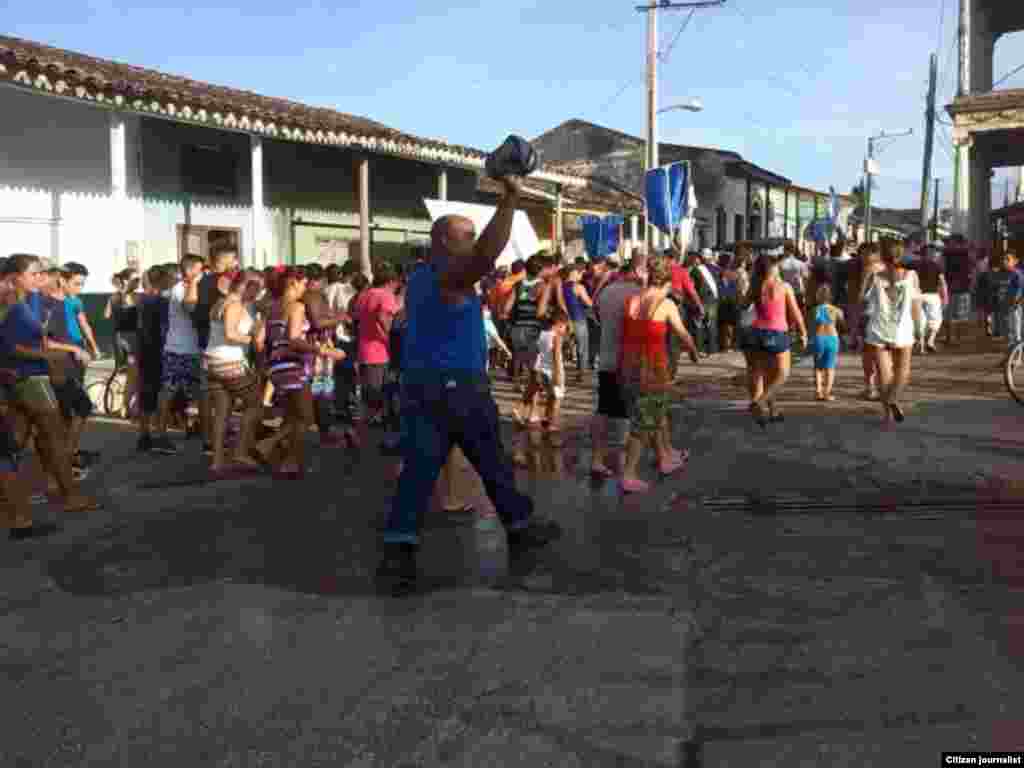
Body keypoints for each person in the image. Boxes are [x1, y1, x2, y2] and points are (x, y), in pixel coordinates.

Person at [378, 175, 561, 596]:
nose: (475, 242)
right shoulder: (447, 275)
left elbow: (479, 261)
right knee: (453, 463)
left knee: (472, 462)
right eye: (468, 236)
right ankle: (404, 547)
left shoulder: (424, 276)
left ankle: (407, 545)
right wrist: (511, 198)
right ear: (444, 242)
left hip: (430, 386)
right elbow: (484, 256)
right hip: (453, 387)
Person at [0, 254, 99, 515]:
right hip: (30, 379)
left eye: (43, 273)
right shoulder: (13, 303)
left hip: (26, 378)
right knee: (53, 437)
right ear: (14, 277)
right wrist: (48, 355)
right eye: (35, 273)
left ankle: (31, 499)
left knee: (17, 441)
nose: (42, 278)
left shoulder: (25, 301)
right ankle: (70, 496)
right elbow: (13, 347)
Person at [618, 255, 699, 494]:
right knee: (643, 423)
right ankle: (629, 474)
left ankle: (665, 456)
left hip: (629, 365)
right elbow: (683, 333)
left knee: (656, 412)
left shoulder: (632, 300)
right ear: (668, 280)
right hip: (653, 368)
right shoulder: (666, 304)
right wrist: (693, 350)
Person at [202, 271, 265, 476]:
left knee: (222, 412)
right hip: (229, 363)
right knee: (255, 403)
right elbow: (230, 333)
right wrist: (253, 339)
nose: (259, 291)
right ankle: (240, 452)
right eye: (257, 287)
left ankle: (217, 462)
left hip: (212, 363)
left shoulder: (220, 302)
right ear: (247, 285)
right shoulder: (235, 305)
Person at [589, 257, 644, 478]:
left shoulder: (606, 292)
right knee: (636, 412)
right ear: (638, 270)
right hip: (630, 360)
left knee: (604, 410)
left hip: (607, 359)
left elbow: (599, 319)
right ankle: (628, 465)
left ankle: (598, 460)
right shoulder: (639, 294)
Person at [741, 251, 808, 428]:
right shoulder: (784, 287)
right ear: (774, 268)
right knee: (782, 374)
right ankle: (761, 402)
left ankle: (773, 410)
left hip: (757, 333)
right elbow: (796, 312)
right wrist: (803, 332)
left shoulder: (756, 286)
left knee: (765, 373)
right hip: (777, 333)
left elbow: (743, 305)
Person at [861, 242, 924, 425]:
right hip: (903, 330)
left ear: (882, 256)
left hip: (879, 330)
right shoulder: (911, 276)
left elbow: (863, 301)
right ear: (901, 256)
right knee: (902, 371)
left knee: (884, 375)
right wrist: (919, 331)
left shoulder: (875, 276)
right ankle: (893, 399)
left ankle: (887, 415)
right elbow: (915, 305)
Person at [149, 255, 204, 455]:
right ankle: (161, 436)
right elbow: (190, 308)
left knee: (194, 393)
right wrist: (192, 284)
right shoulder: (181, 289)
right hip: (179, 350)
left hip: (189, 348)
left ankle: (192, 426)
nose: (202, 274)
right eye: (199, 270)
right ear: (189, 270)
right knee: (169, 392)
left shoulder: (182, 287)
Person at [352, 261, 400, 428]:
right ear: (391, 282)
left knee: (369, 392)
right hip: (380, 351)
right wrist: (389, 336)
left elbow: (355, 319)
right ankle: (368, 427)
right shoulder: (385, 295)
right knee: (379, 391)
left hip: (364, 350)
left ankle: (366, 424)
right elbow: (383, 317)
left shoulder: (364, 294)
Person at [810, 284, 845, 402]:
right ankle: (827, 393)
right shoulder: (836, 310)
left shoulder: (815, 310)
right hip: (832, 338)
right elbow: (843, 324)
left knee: (818, 367)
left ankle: (818, 392)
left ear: (818, 297)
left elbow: (812, 325)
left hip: (819, 338)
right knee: (830, 367)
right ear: (831, 297)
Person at [560, 264, 593, 383]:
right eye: (580, 273)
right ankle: (581, 373)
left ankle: (559, 370)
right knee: (582, 346)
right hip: (578, 319)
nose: (581, 275)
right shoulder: (578, 287)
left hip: (562, 320)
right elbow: (589, 303)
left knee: (561, 346)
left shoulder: (560, 286)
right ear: (573, 273)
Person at [914, 245, 948, 353]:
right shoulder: (937, 266)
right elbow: (942, 283)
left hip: (917, 295)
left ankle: (922, 345)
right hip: (932, 296)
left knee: (920, 321)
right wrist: (945, 297)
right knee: (935, 320)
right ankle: (931, 341)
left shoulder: (913, 265)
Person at [691, 248, 720, 356]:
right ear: (710, 257)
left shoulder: (696, 270)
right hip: (713, 300)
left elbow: (692, 287)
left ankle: (700, 349)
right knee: (711, 325)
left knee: (699, 325)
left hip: (700, 300)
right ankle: (712, 349)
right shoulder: (717, 269)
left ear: (701, 258)